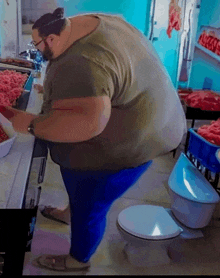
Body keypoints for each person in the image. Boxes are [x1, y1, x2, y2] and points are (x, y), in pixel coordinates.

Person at [0, 7, 187, 272]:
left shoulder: (81, 63)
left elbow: (86, 123)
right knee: (79, 194)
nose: (36, 48)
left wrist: (25, 122)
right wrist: (54, 89)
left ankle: (78, 260)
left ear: (52, 38)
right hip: (160, 119)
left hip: (131, 144)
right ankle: (69, 212)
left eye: (37, 43)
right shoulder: (93, 23)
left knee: (91, 204)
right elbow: (103, 80)